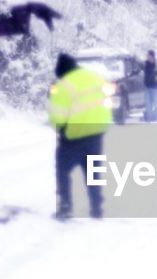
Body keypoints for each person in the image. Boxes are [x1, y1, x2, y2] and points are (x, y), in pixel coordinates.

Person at [48, 52, 112, 219]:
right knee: (93, 173)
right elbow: (106, 103)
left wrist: (60, 130)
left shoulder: (64, 85)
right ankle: (97, 208)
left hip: (73, 137)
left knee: (62, 170)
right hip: (96, 133)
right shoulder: (94, 78)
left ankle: (65, 207)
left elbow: (57, 117)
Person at [142, 49, 157, 122]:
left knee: (156, 103)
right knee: (148, 104)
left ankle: (156, 117)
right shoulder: (145, 64)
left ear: (152, 56)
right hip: (148, 87)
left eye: (148, 55)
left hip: (156, 88)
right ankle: (149, 117)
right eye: (147, 55)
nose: (147, 57)